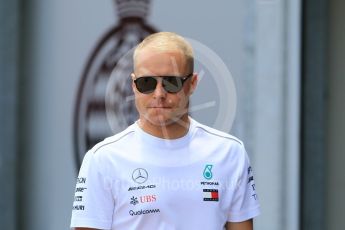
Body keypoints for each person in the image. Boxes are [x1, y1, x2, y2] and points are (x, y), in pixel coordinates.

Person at [71, 32, 260, 230]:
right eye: (147, 83)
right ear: (133, 85)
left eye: (171, 83)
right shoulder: (102, 159)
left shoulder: (230, 153)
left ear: (192, 84)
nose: (159, 94)